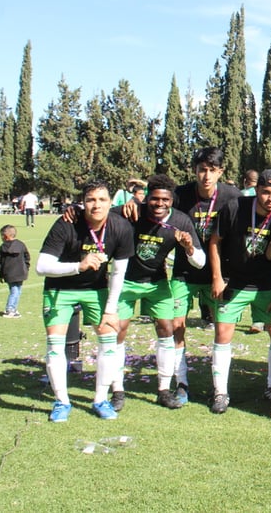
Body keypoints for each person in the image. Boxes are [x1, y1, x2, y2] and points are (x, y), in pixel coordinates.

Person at [36, 180, 134, 422]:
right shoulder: (66, 223)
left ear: (111, 203)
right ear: (83, 203)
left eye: (102, 200)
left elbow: (119, 273)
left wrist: (111, 309)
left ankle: (100, 399)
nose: (96, 205)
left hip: (96, 289)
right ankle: (62, 402)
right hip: (60, 288)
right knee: (55, 345)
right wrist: (78, 266)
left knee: (109, 340)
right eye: (91, 200)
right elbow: (41, 267)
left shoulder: (121, 227)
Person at [113, 174, 205, 411]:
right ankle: (117, 388)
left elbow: (200, 262)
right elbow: (99, 214)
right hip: (126, 281)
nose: (160, 204)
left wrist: (189, 248)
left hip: (157, 282)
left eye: (165, 200)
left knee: (167, 329)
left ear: (172, 200)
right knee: (119, 331)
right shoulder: (131, 211)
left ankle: (164, 389)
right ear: (147, 198)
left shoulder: (181, 221)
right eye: (155, 199)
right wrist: (73, 210)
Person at [209, 170, 271, 412]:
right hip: (234, 283)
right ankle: (220, 392)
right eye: (265, 192)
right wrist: (216, 277)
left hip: (267, 284)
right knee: (223, 333)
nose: (270, 198)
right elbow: (215, 241)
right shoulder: (235, 207)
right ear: (256, 190)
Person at [169, 147, 242, 403]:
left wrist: (221, 276)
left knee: (222, 329)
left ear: (221, 172)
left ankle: (220, 390)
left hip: (218, 274)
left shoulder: (232, 196)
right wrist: (129, 206)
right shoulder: (179, 194)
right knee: (176, 326)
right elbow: (152, 207)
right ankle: (181, 383)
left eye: (212, 170)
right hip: (184, 272)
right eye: (202, 170)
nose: (206, 176)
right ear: (195, 171)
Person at [0, 224, 30, 318]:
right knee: (16, 290)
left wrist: (0, 274)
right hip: (20, 272)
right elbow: (27, 258)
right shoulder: (21, 245)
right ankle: (10, 309)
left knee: (15, 290)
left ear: (5, 236)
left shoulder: (2, 247)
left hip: (8, 273)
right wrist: (26, 269)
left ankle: (12, 308)